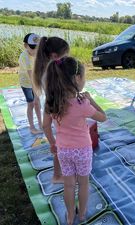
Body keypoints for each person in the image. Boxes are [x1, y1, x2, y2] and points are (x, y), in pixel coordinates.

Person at [42, 57, 107, 225]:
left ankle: (70, 216)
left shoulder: (51, 101)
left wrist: (52, 143)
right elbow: (103, 117)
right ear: (77, 78)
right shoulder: (83, 103)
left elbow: (45, 125)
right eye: (84, 77)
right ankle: (83, 214)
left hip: (63, 150)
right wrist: (91, 99)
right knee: (83, 184)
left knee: (69, 185)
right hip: (83, 150)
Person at [34, 36, 70, 183]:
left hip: (54, 111)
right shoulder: (52, 74)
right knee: (59, 146)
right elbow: (45, 122)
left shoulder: (48, 69)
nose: (67, 59)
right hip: (56, 112)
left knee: (59, 145)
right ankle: (57, 176)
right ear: (55, 56)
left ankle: (58, 174)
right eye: (65, 56)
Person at [18, 33, 43, 134]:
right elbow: (30, 75)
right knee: (31, 103)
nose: (35, 50)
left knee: (38, 103)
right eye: (32, 47)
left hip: (35, 81)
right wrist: (36, 92)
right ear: (25, 46)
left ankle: (40, 123)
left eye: (37, 47)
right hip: (26, 83)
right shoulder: (25, 57)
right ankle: (32, 127)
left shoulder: (38, 54)